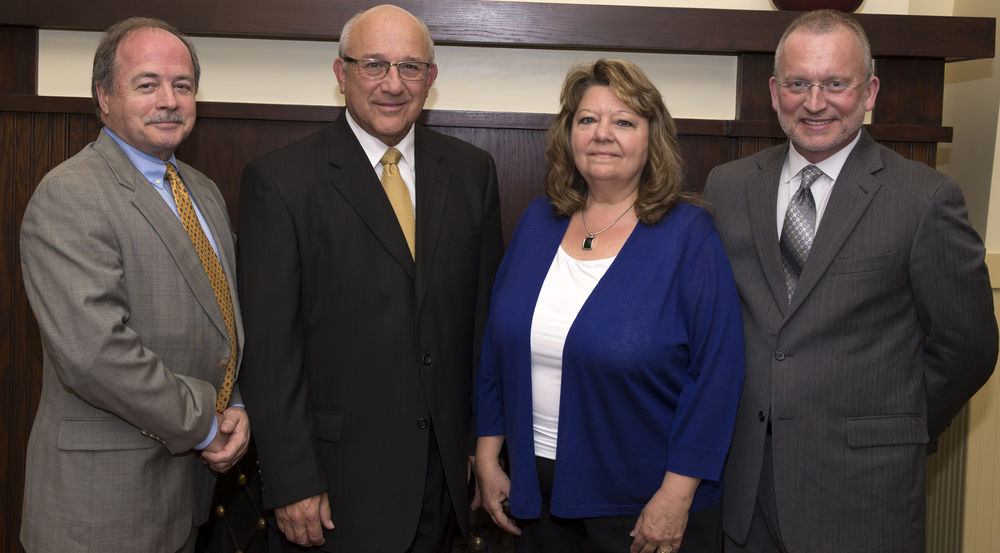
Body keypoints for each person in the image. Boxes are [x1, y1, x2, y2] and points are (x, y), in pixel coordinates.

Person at [703, 9, 997, 553]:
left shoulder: (924, 199)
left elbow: (970, 347)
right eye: (797, 84)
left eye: (836, 83)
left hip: (863, 495)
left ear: (870, 92)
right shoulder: (728, 187)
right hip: (744, 489)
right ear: (774, 91)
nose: (815, 103)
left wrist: (895, 424)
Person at [236, 4, 504, 552]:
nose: (392, 84)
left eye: (410, 67)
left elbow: (483, 326)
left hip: (445, 481)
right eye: (373, 64)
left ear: (430, 79)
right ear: (341, 74)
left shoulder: (472, 172)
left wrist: (483, 446)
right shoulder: (281, 182)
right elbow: (270, 350)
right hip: (335, 486)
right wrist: (293, 481)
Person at [475, 58, 745, 553]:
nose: (603, 134)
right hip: (534, 491)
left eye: (623, 121)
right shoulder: (539, 221)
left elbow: (717, 377)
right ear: (568, 133)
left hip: (642, 501)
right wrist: (489, 456)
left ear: (651, 137)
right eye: (587, 120)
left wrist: (675, 496)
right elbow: (497, 347)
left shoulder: (688, 235)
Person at [18, 17, 249, 553]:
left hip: (182, 496)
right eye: (147, 84)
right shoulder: (70, 194)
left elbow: (222, 319)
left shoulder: (203, 191)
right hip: (100, 509)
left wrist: (234, 401)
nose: (169, 100)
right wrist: (208, 423)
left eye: (182, 85)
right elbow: (95, 353)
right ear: (104, 96)